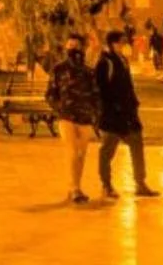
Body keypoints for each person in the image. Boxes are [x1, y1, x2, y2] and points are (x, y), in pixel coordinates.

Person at [95, 30, 159, 199]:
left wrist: (133, 103)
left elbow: (128, 86)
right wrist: (111, 108)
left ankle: (140, 183)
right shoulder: (105, 63)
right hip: (112, 116)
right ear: (112, 44)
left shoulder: (123, 60)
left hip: (129, 114)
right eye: (121, 42)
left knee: (137, 146)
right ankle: (106, 185)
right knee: (107, 151)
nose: (124, 45)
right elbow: (101, 89)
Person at [47, 33, 101, 204]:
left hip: (85, 118)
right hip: (67, 117)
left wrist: (95, 114)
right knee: (72, 151)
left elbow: (96, 94)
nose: (73, 49)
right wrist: (60, 108)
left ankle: (76, 186)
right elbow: (50, 94)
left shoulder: (88, 71)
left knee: (81, 154)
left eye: (76, 46)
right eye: (70, 46)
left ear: (82, 48)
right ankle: (75, 188)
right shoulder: (58, 69)